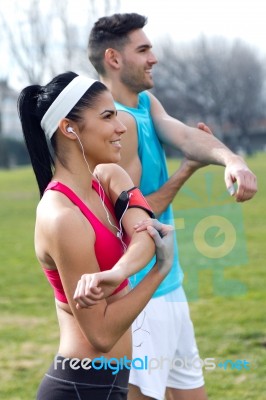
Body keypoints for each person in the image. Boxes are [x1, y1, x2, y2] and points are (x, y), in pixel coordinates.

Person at [84, 12, 258, 400]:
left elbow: (182, 134)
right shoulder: (119, 126)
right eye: (143, 49)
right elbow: (135, 219)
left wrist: (233, 160)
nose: (154, 58)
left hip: (168, 283)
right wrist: (186, 173)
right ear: (114, 58)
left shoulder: (144, 102)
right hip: (140, 293)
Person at [17, 71, 176, 400]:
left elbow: (144, 233)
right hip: (81, 387)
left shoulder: (109, 177)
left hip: (110, 384)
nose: (121, 128)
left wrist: (117, 272)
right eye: (107, 117)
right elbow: (100, 334)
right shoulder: (62, 218)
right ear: (69, 128)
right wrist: (157, 272)